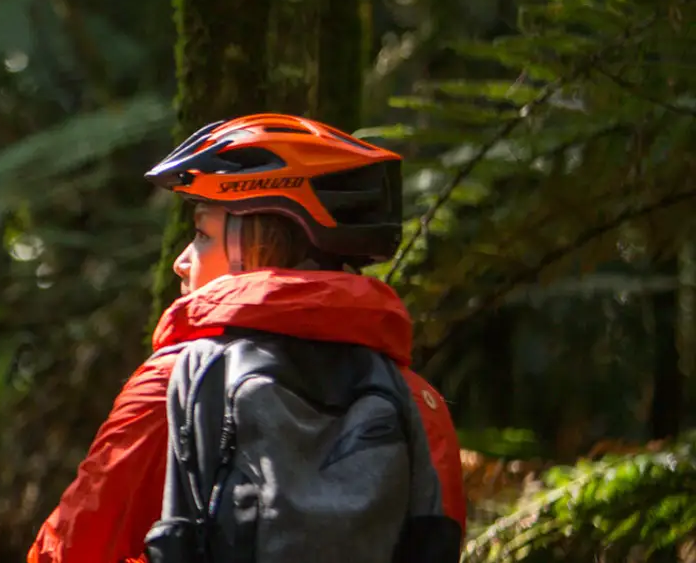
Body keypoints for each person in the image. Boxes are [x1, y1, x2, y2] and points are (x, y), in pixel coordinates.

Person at [27, 114, 467, 563]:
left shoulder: (179, 382)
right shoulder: (417, 402)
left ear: (259, 247)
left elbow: (72, 550)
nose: (181, 261)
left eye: (202, 235)